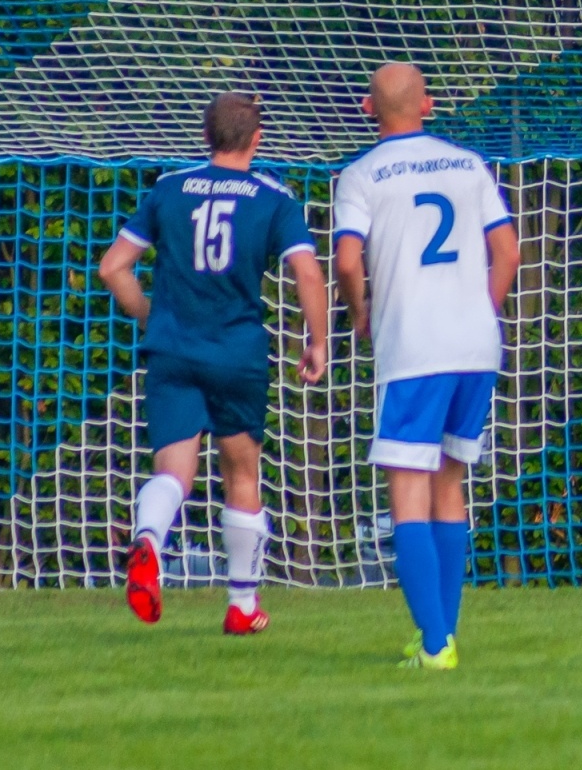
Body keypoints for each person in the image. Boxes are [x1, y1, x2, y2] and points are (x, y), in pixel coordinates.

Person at [98, 92, 329, 635]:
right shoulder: (273, 198)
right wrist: (318, 342)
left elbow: (112, 268)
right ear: (257, 139)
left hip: (173, 350)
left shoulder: (169, 188)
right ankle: (242, 606)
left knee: (173, 473)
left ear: (206, 136)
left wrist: (150, 316)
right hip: (235, 354)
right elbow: (307, 272)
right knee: (241, 472)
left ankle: (148, 541)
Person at [334, 62, 521, 670]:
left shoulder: (362, 175)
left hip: (415, 347)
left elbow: (346, 260)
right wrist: (479, 312)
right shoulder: (468, 164)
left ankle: (436, 645)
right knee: (450, 484)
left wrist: (360, 310)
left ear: (368, 109)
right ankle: (441, 633)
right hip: (476, 346)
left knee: (408, 491)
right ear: (429, 104)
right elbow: (508, 252)